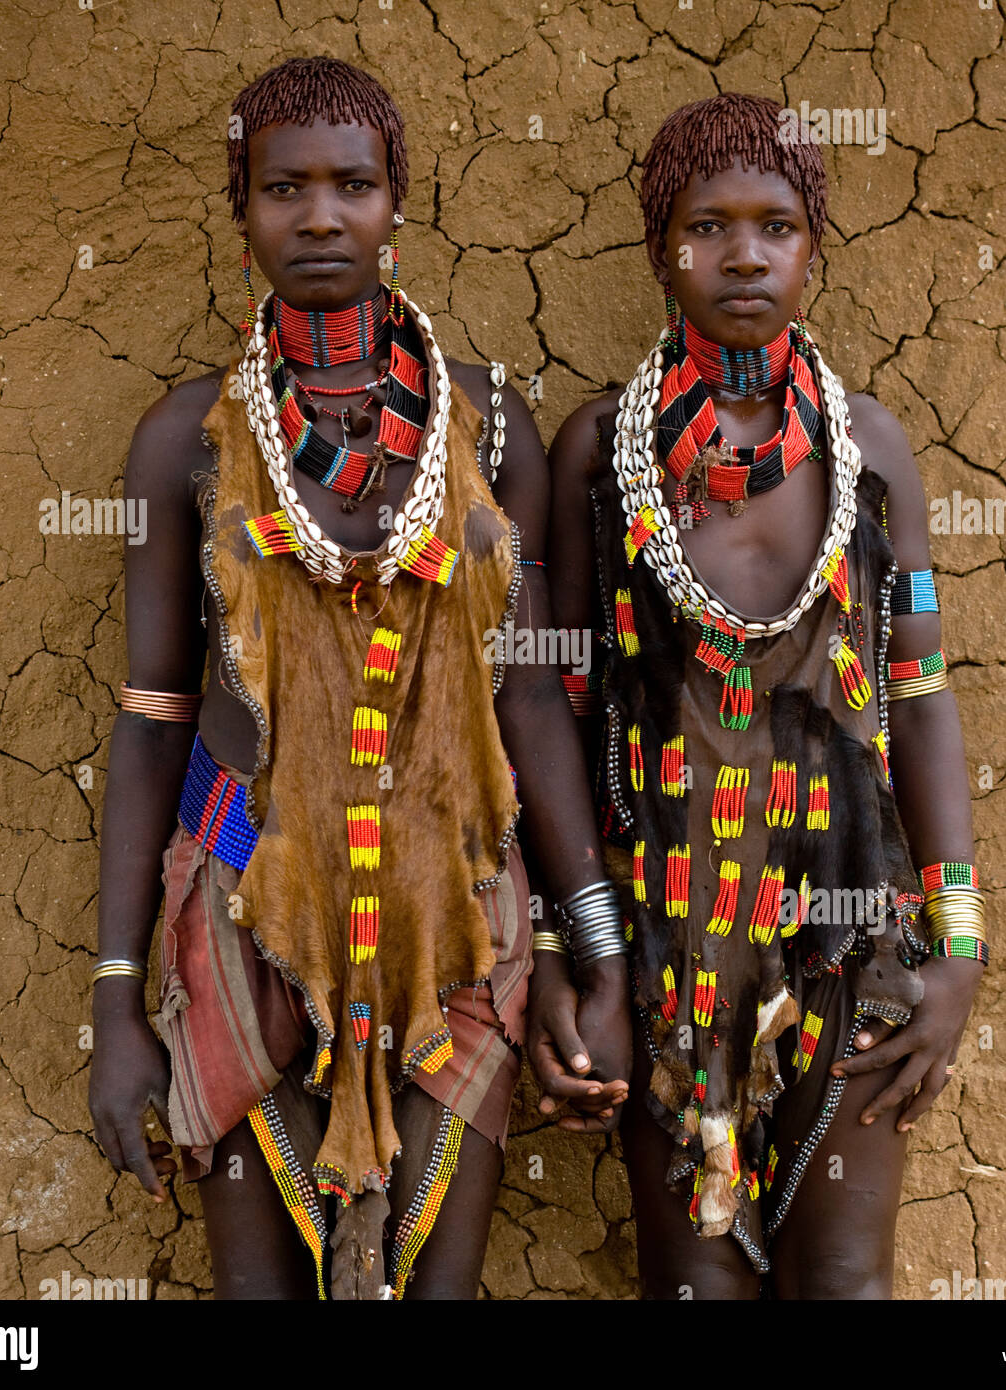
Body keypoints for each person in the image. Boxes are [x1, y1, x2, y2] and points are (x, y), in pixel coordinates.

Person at [87, 55, 626, 1301]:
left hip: (460, 924)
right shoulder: (188, 437)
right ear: (242, 209)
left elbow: (530, 694)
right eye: (284, 188)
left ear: (397, 202)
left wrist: (587, 944)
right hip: (239, 914)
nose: (319, 215)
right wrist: (118, 1000)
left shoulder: (487, 427)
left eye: (353, 185)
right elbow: (153, 718)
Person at [541, 93, 986, 1299]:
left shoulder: (870, 450)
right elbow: (559, 715)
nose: (743, 253)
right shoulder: (594, 454)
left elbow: (921, 690)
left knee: (845, 1275)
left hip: (854, 927)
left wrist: (958, 946)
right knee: (694, 1283)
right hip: (666, 935)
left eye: (776, 224)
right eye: (708, 226)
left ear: (813, 245)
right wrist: (566, 952)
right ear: (659, 247)